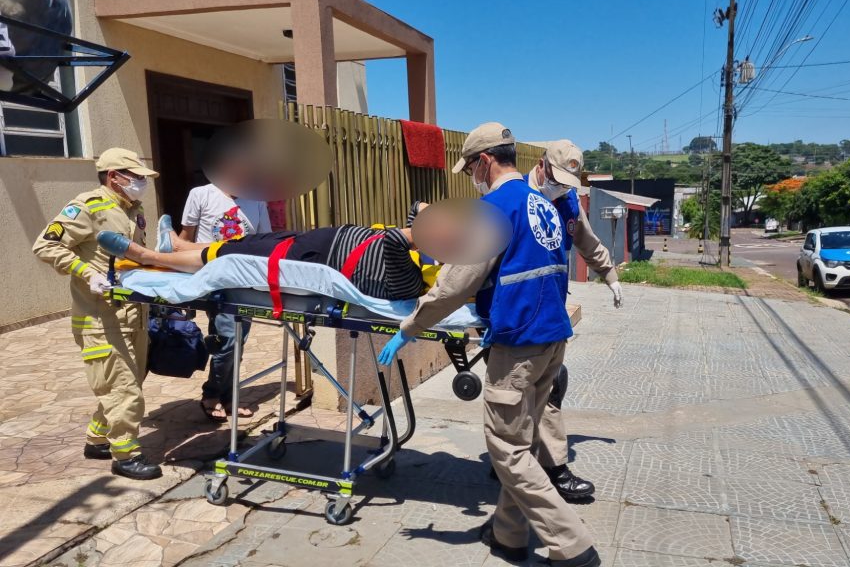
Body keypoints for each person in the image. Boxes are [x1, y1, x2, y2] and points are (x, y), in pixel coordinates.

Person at [378, 123, 600, 567]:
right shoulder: (543, 204)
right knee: (521, 442)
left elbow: (456, 283)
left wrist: (410, 327)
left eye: (470, 169)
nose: (471, 178)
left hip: (519, 344)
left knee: (508, 450)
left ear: (483, 161)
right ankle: (507, 534)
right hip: (552, 339)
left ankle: (572, 546)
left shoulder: (495, 208)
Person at [32, 148, 162, 481]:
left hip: (134, 313)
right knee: (123, 389)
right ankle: (126, 454)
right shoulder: (87, 206)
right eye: (134, 177)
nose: (140, 183)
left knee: (130, 380)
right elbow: (45, 246)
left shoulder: (133, 209)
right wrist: (85, 272)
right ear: (113, 176)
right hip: (99, 318)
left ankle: (96, 438)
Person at [519, 139, 622, 501]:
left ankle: (547, 467)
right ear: (541, 164)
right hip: (515, 318)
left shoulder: (567, 203)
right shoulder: (514, 199)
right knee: (518, 396)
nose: (560, 186)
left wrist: (610, 275)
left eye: (568, 181)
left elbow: (588, 243)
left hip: (551, 314)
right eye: (557, 177)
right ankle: (514, 463)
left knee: (548, 391)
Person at [96, 202, 431, 302]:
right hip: (309, 244)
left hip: (308, 260)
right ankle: (180, 245)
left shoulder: (408, 284)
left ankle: (148, 257)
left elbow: (396, 240)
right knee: (238, 244)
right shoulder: (421, 263)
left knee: (228, 258)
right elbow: (418, 209)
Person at [179, 181, 271, 421]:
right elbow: (184, 239)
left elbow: (265, 242)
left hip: (245, 281)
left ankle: (228, 397)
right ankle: (212, 394)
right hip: (213, 278)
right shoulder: (200, 194)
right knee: (228, 338)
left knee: (238, 340)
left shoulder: (257, 198)